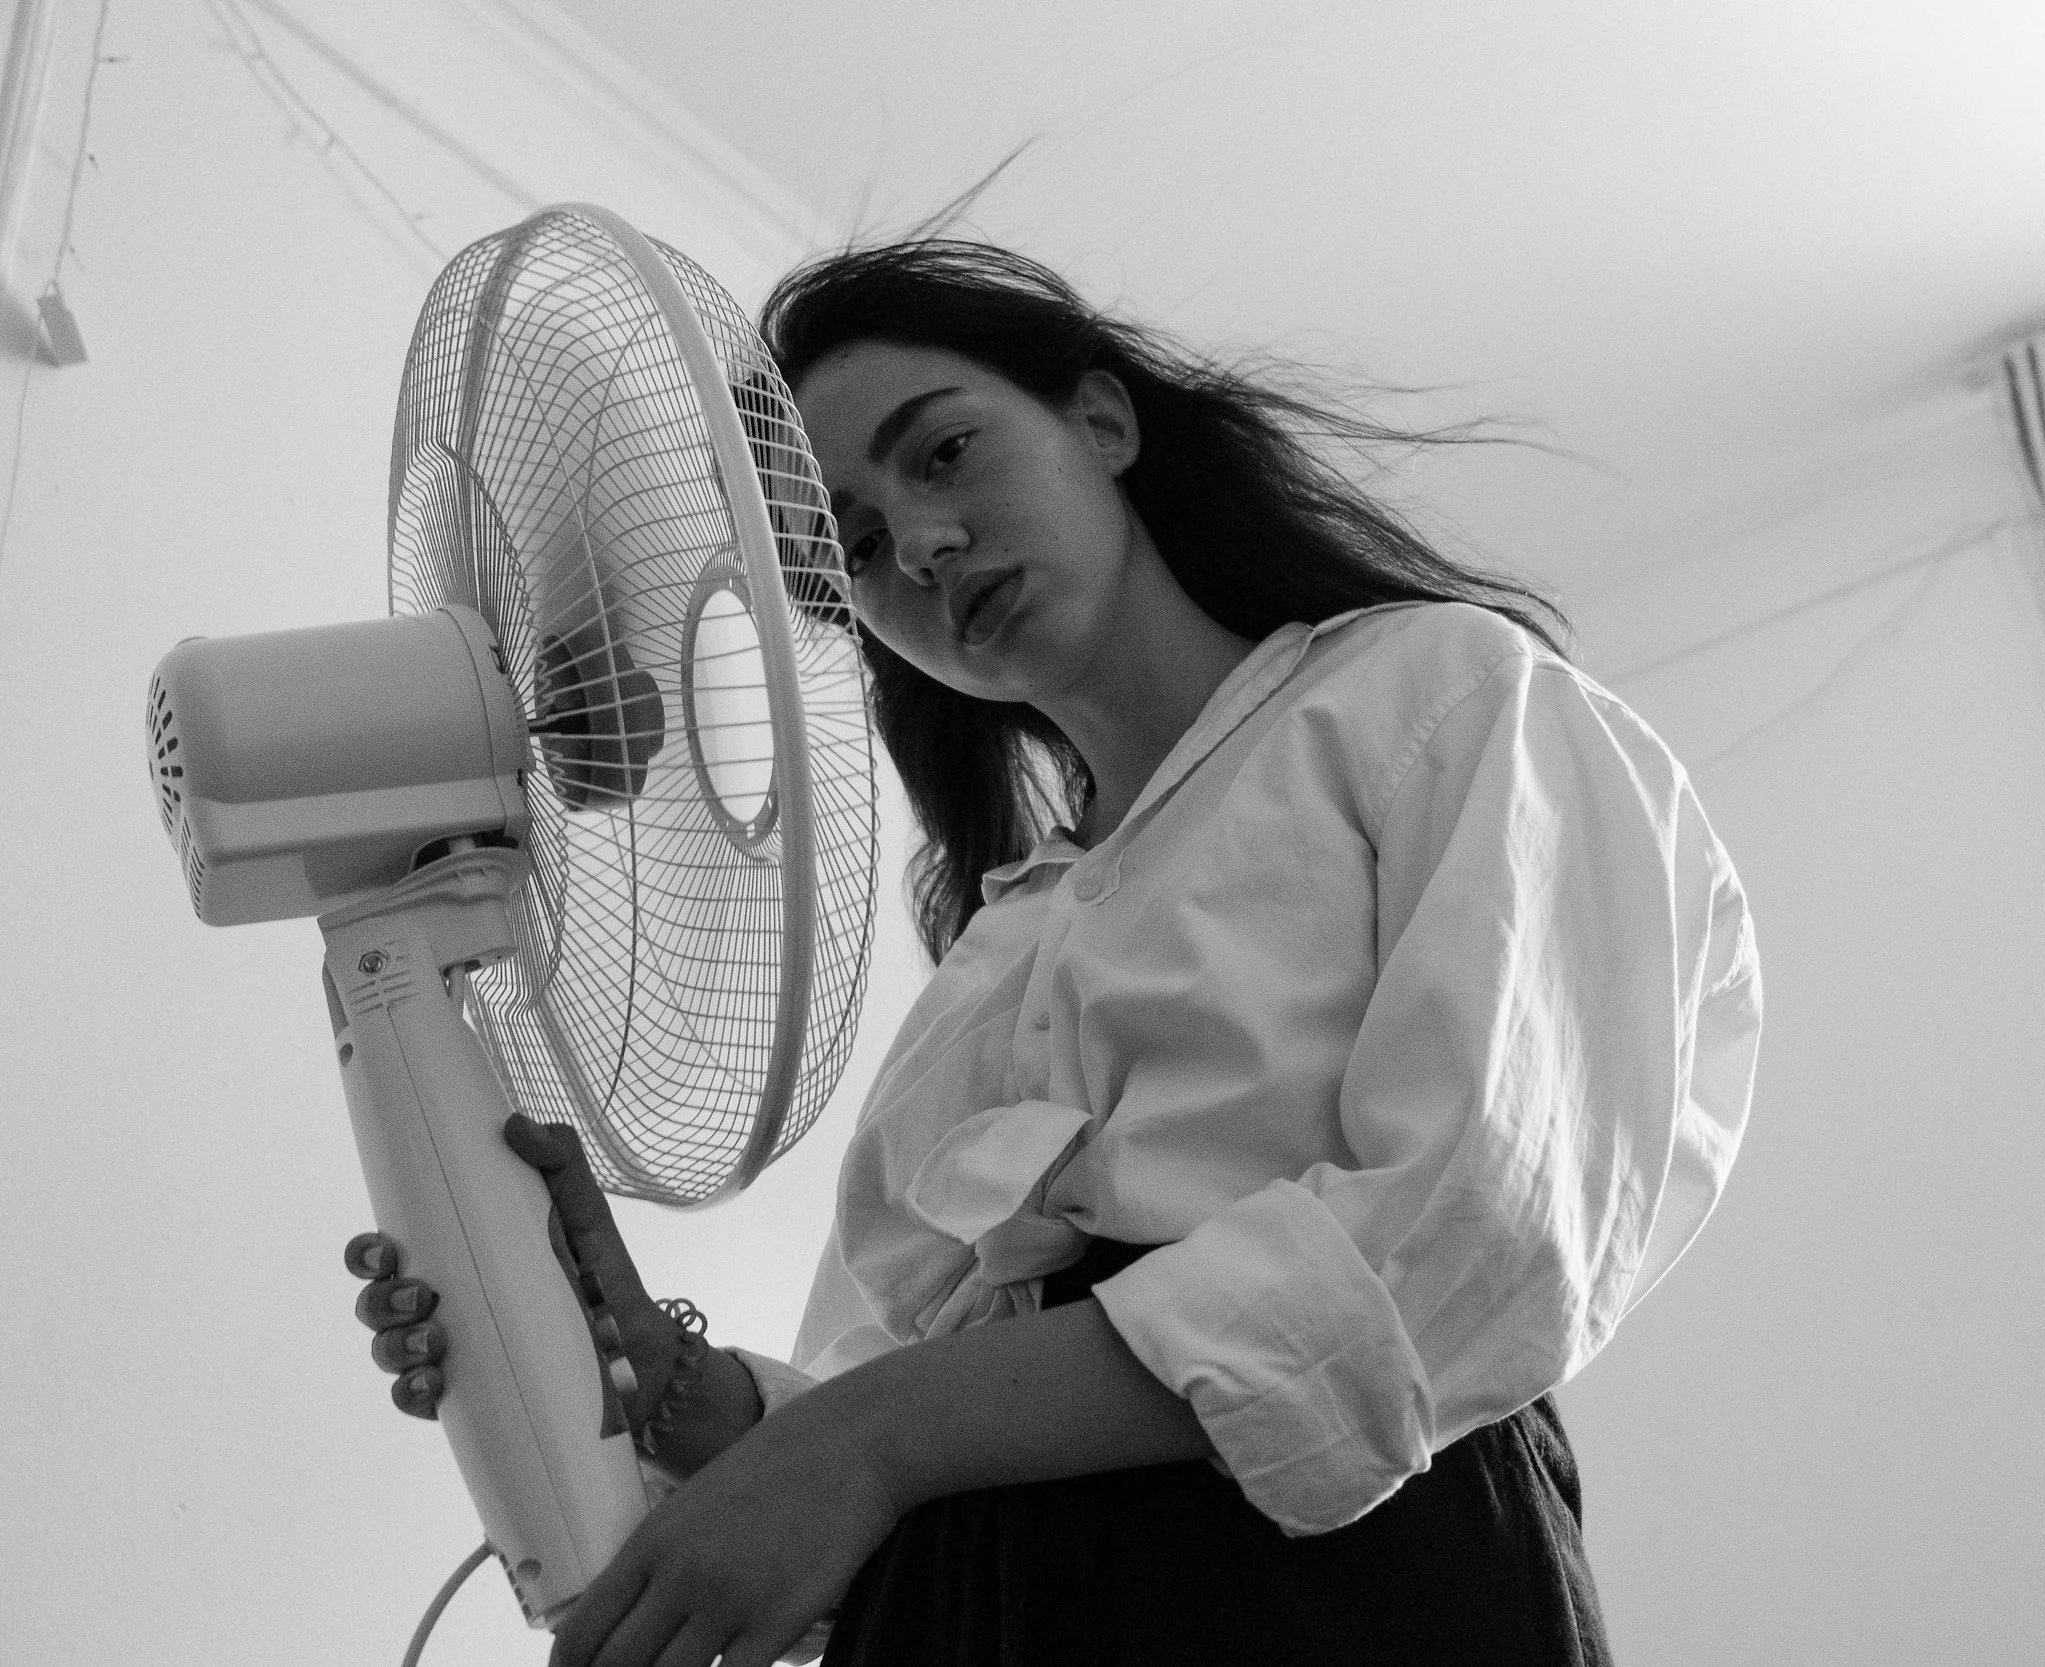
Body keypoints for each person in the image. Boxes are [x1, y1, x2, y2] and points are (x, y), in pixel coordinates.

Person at [348, 240, 1763, 1667]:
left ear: (1102, 419)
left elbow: (1482, 1225)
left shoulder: (1436, 694)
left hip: (1322, 1593)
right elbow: (889, 1403)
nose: (926, 547)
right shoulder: (994, 954)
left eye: (948, 452)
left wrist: (877, 1439)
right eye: (854, 546)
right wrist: (687, 1393)